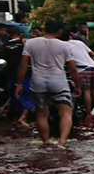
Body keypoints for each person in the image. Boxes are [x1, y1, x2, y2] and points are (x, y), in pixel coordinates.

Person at [15, 20, 81, 149]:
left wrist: (19, 84)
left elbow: (23, 66)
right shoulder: (65, 46)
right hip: (58, 81)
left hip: (38, 81)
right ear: (60, 31)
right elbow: (73, 68)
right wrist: (78, 85)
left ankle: (46, 140)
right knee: (66, 112)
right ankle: (62, 142)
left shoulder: (30, 43)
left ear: (44, 29)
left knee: (41, 113)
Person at [1, 26, 34, 125]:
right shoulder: (23, 45)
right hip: (26, 74)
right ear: (20, 34)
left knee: (15, 96)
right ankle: (23, 116)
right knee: (29, 95)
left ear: (8, 35)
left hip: (12, 75)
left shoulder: (5, 46)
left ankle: (18, 116)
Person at [68, 31, 94, 119]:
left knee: (86, 91)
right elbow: (93, 54)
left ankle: (89, 114)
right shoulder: (79, 43)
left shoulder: (64, 45)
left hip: (83, 69)